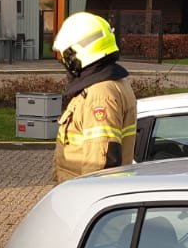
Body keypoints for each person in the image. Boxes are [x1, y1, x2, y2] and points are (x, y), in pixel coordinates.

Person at [50, 11, 137, 182]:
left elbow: (99, 164)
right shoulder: (107, 84)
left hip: (80, 193)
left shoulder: (100, 94)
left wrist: (87, 196)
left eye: (66, 56)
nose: (65, 62)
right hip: (75, 190)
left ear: (77, 54)